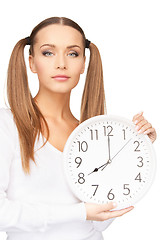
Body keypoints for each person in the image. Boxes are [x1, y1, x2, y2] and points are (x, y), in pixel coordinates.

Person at [0, 17, 156, 240]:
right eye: (48, 52)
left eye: (72, 53)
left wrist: (136, 151)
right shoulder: (7, 124)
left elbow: (100, 222)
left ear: (83, 63)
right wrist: (78, 213)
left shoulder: (92, 134)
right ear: (32, 62)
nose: (61, 63)